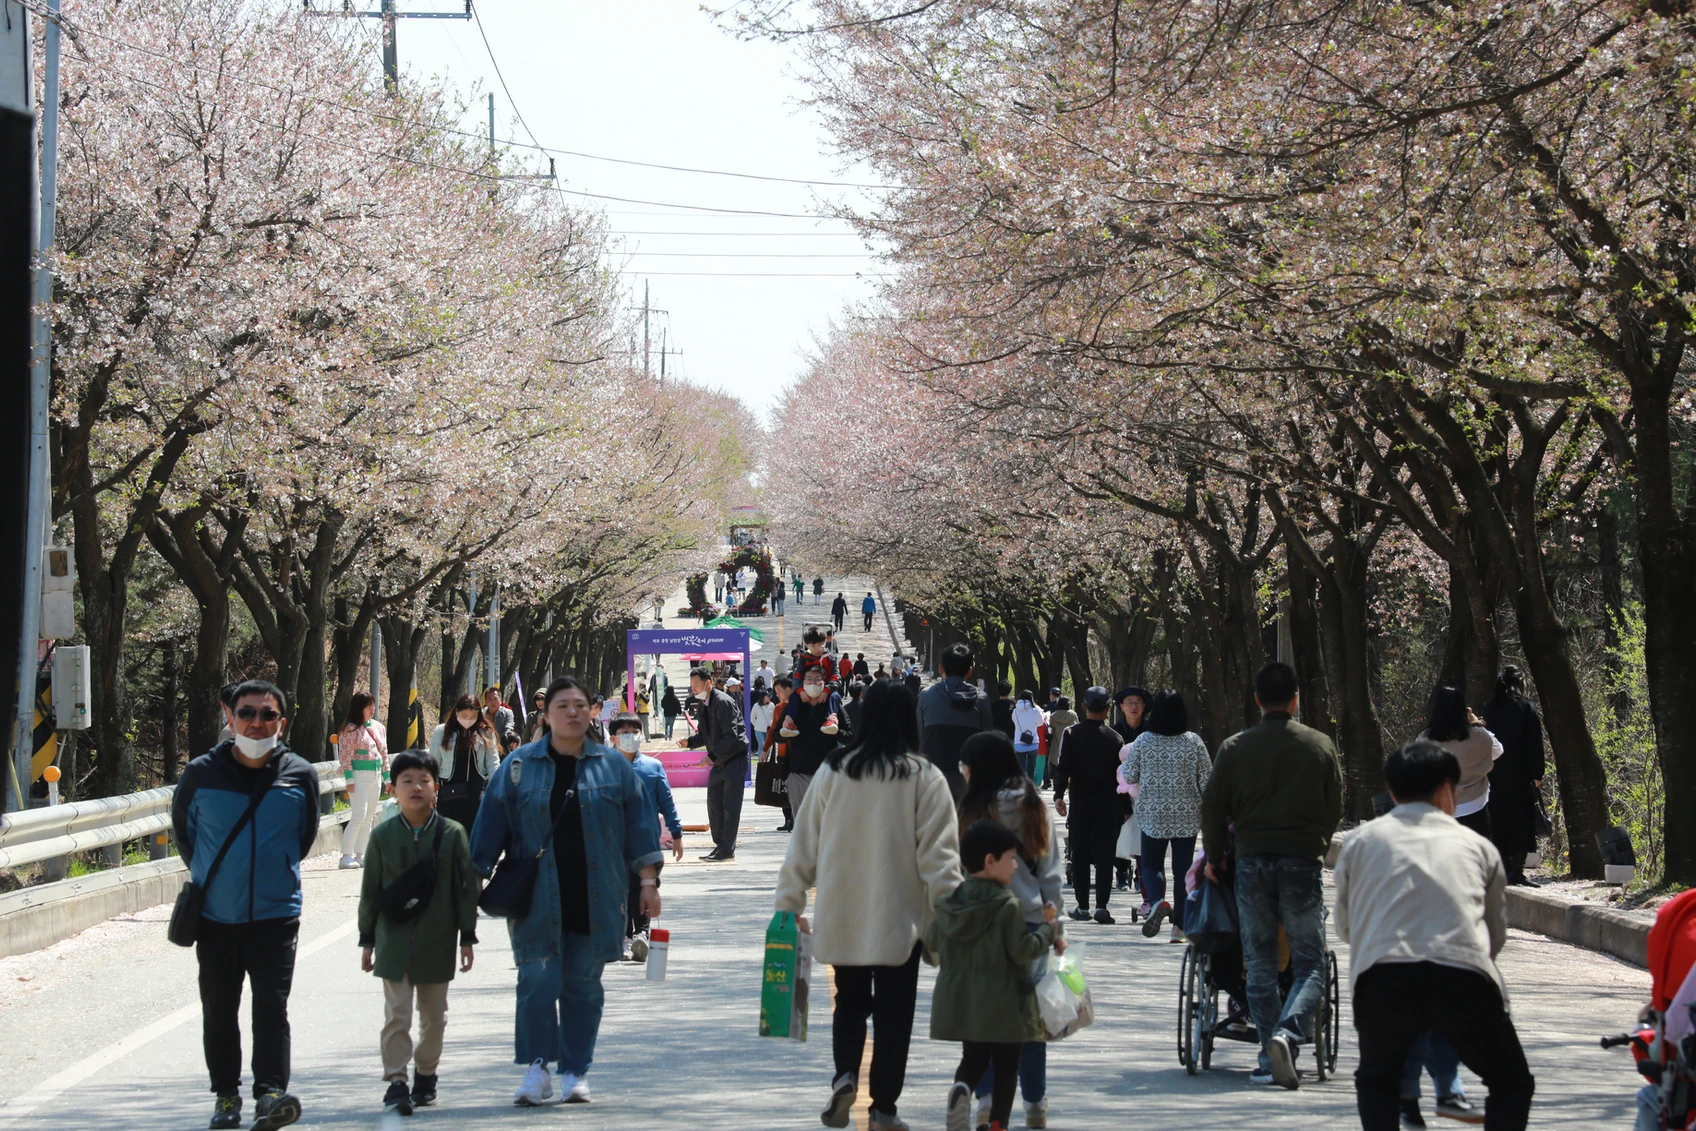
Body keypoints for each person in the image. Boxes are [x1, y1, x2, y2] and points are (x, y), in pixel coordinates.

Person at [469, 676, 664, 1108]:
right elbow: (487, 831)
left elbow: (640, 826)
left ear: (591, 712)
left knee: (583, 985)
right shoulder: (518, 766)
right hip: (537, 897)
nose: (572, 712)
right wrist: (472, 884)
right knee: (537, 980)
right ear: (546, 715)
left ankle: (576, 1070)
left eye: (579, 704)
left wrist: (648, 883)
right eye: (563, 705)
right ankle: (536, 1069)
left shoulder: (613, 766)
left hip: (596, 894)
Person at [775, 680, 962, 1131]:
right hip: (901, 919)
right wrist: (958, 917)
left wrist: (790, 903)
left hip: (842, 914)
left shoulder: (834, 769)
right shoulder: (923, 775)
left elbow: (804, 843)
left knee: (850, 1003)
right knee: (895, 1015)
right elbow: (940, 859)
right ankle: (883, 1109)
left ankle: (844, 1075)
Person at [1335, 740, 1534, 1130]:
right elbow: (1493, 936)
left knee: (1378, 1081)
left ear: (1392, 792)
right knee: (1511, 1082)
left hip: (1383, 977)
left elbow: (1346, 927)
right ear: (1448, 789)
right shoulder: (1478, 847)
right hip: (1461, 975)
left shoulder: (1359, 843)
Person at [171, 679, 318, 1131]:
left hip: (277, 915)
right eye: (247, 713)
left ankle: (271, 1093)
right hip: (217, 917)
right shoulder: (200, 773)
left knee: (271, 1007)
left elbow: (304, 836)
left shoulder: (300, 774)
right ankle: (226, 1096)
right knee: (220, 1009)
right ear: (230, 719)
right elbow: (186, 836)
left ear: (282, 722)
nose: (257, 723)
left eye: (267, 714)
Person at [1200, 661, 1343, 1089]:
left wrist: (1213, 855)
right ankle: (1288, 1033)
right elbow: (1334, 805)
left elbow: (1213, 808)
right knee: (1310, 962)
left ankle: (1268, 1053)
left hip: (1251, 860)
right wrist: (1316, 845)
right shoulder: (1319, 746)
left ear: (1257, 700)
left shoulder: (1234, 747)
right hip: (1301, 862)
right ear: (1296, 699)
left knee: (1258, 962)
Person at [357, 750, 478, 1116]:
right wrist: (367, 939)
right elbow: (370, 890)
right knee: (397, 1014)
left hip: (438, 940)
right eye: (406, 781)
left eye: (423, 781)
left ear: (436, 788)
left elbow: (464, 889)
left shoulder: (453, 834)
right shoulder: (381, 836)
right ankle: (396, 1081)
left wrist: (467, 936)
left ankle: (426, 1073)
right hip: (393, 939)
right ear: (393, 789)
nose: (416, 788)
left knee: (434, 1017)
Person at [955, 733, 1066, 1129]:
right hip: (1032, 923)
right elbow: (1050, 869)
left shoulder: (971, 808)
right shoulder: (1033, 803)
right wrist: (1057, 924)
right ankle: (1035, 1102)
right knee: (1030, 1019)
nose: (963, 773)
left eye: (964, 766)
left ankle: (984, 1098)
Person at [935, 819, 1062, 1131]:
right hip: (1005, 1002)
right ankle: (998, 1124)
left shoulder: (950, 903)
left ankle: (962, 1088)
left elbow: (932, 946)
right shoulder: (1005, 905)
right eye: (1011, 860)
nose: (1016, 868)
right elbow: (1023, 950)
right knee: (1007, 1065)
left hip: (963, 1001)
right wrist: (1048, 932)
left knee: (974, 1058)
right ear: (990, 863)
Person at [1121, 689, 1211, 939]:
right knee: (1183, 870)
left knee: (1150, 864)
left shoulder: (1144, 741)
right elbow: (1207, 781)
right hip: (1188, 814)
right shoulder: (1193, 741)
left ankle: (1158, 901)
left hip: (1152, 813)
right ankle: (1179, 927)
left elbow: (1128, 775)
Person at [607, 713, 683, 961]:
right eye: (625, 733)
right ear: (613, 738)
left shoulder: (653, 767)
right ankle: (624, 935)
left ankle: (642, 933)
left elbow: (667, 803)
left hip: (645, 842)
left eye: (635, 732)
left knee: (643, 886)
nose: (631, 737)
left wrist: (677, 834)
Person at [1050, 686, 1129, 924]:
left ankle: (1082, 907)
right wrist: (1126, 808)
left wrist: (1059, 795)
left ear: (1083, 708)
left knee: (1080, 854)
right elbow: (1121, 776)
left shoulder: (1072, 734)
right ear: (1107, 709)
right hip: (1108, 805)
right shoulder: (1116, 738)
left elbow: (1063, 766)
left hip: (1081, 804)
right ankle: (1102, 908)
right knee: (1106, 855)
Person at [1479, 667, 1544, 885]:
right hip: (1520, 773)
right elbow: (1534, 743)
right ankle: (1517, 869)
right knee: (1520, 820)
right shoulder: (1526, 708)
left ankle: (1503, 867)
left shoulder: (1488, 708)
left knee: (1498, 819)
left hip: (1494, 773)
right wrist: (1537, 773)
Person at [1418, 685, 1503, 840]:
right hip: (1474, 806)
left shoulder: (1424, 739)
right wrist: (1476, 722)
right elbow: (1498, 750)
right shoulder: (1479, 736)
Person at [915, 642, 996, 799]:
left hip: (933, 780)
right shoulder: (981, 699)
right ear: (969, 671)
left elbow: (919, 737)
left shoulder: (926, 695)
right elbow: (988, 742)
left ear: (941, 668)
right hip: (970, 784)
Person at [686, 666, 748, 861]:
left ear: (708, 683)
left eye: (696, 685)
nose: (694, 689)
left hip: (734, 759)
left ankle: (727, 849)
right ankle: (720, 844)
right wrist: (689, 743)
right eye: (692, 686)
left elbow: (731, 737)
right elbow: (706, 735)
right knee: (714, 804)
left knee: (730, 806)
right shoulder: (704, 703)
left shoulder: (723, 702)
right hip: (719, 761)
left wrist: (710, 757)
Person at [778, 662, 843, 815]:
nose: (813, 682)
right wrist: (785, 727)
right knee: (802, 824)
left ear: (824, 682)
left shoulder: (833, 704)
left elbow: (850, 737)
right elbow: (777, 736)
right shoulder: (793, 705)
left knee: (826, 824)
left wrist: (836, 730)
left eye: (817, 679)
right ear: (802, 681)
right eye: (809, 679)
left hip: (827, 774)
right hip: (799, 774)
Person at [429, 695, 500, 834]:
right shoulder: (441, 732)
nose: (468, 720)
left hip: (475, 792)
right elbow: (433, 763)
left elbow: (493, 762)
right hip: (449, 793)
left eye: (473, 716)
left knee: (473, 835)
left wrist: (497, 786)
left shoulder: (485, 732)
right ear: (456, 712)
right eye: (464, 715)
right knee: (449, 837)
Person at [337, 691, 390, 870]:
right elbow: (345, 757)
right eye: (368, 706)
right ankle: (345, 855)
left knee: (368, 817)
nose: (371, 709)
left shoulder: (379, 727)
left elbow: (384, 754)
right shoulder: (349, 729)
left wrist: (387, 777)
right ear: (359, 708)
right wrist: (349, 779)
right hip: (358, 776)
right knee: (359, 815)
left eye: (373, 705)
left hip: (375, 775)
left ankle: (361, 854)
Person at [1010, 691, 1045, 781]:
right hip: (1033, 742)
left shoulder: (1015, 711)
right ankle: (1031, 788)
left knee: (1021, 769)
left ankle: (1022, 787)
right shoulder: (1035, 710)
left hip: (1019, 742)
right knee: (1031, 768)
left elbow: (1014, 721)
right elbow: (1040, 723)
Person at [1044, 696, 1077, 791]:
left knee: (1056, 764)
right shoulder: (1073, 715)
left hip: (1056, 742)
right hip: (1070, 742)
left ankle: (1056, 785)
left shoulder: (1053, 716)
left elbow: (1050, 730)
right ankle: (1068, 784)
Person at [483, 686, 519, 754]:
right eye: (490, 699)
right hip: (485, 747)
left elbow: (509, 728)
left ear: (500, 700)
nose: (493, 702)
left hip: (502, 747)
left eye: (495, 699)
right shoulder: (482, 714)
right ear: (486, 701)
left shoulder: (508, 713)